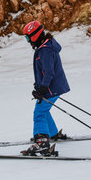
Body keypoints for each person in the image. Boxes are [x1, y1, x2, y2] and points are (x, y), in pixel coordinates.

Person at [21, 20, 71, 156]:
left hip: (51, 88)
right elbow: (45, 72)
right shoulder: (46, 46)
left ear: (35, 35)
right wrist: (39, 86)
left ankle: (42, 143)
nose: (28, 41)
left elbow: (49, 73)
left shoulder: (45, 50)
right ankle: (52, 134)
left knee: (39, 113)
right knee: (44, 109)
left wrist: (42, 88)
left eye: (28, 37)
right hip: (53, 87)